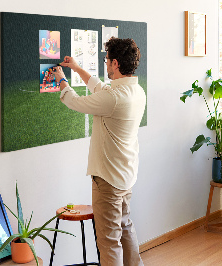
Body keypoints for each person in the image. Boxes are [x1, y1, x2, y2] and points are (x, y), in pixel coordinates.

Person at [50, 37, 145, 266]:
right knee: (125, 229)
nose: (105, 65)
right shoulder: (135, 91)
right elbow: (100, 88)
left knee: (109, 241)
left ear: (114, 63)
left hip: (108, 179)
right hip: (125, 175)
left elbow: (75, 102)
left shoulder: (113, 98)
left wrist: (62, 80)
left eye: (106, 61)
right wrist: (77, 68)